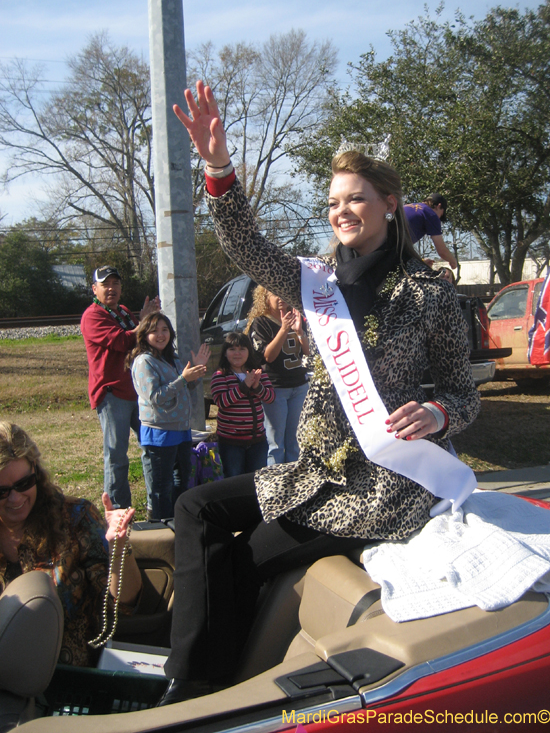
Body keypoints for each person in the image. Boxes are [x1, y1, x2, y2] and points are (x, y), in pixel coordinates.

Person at [157, 81, 480, 705]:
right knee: (196, 510)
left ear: (389, 204)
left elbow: (464, 397)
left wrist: (438, 413)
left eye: (356, 198)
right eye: (333, 201)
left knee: (241, 558)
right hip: (312, 472)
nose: (341, 210)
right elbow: (246, 244)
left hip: (380, 488)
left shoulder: (432, 295)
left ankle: (201, 686)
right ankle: (192, 677)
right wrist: (218, 167)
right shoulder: (315, 281)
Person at [0, 421, 141, 667]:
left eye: (24, 484)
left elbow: (122, 606)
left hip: (66, 681)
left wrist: (119, 548)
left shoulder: (76, 518)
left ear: (36, 470)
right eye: (1, 491)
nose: (15, 498)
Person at [80, 266, 159, 509]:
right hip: (112, 394)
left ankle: (156, 505)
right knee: (116, 456)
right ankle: (118, 512)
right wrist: (145, 321)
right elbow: (123, 341)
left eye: (115, 283)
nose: (111, 288)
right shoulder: (92, 316)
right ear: (95, 289)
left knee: (153, 446)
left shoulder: (123, 312)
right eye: (105, 284)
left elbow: (140, 340)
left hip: (137, 391)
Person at [129, 312, 210, 520]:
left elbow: (184, 388)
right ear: (144, 334)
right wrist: (183, 379)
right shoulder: (143, 362)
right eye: (154, 330)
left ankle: (177, 524)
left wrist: (196, 373)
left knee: (180, 482)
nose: (160, 334)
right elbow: (155, 397)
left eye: (164, 329)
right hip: (159, 433)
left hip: (181, 431)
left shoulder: (171, 358)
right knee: (160, 488)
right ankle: (158, 527)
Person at [246, 287, 310, 465]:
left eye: (283, 293)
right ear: (265, 297)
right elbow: (268, 356)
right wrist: (283, 330)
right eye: (275, 293)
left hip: (299, 385)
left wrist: (299, 332)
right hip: (275, 388)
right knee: (275, 442)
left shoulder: (296, 317)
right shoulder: (261, 322)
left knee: (295, 440)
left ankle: (293, 482)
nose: (281, 298)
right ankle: (275, 483)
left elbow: (308, 352)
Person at [210, 332, 275, 478]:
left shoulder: (258, 372)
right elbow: (222, 402)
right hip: (231, 442)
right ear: (225, 353)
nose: (237, 353)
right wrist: (244, 386)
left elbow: (270, 397)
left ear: (249, 352)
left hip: (257, 440)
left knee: (256, 480)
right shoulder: (220, 375)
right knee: (234, 480)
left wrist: (257, 386)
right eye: (232, 349)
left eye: (242, 349)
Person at [404, 193, 458, 270]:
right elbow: (442, 251)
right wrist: (453, 260)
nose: (439, 219)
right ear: (439, 206)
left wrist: (421, 262)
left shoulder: (408, 206)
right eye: (441, 215)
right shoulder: (431, 214)